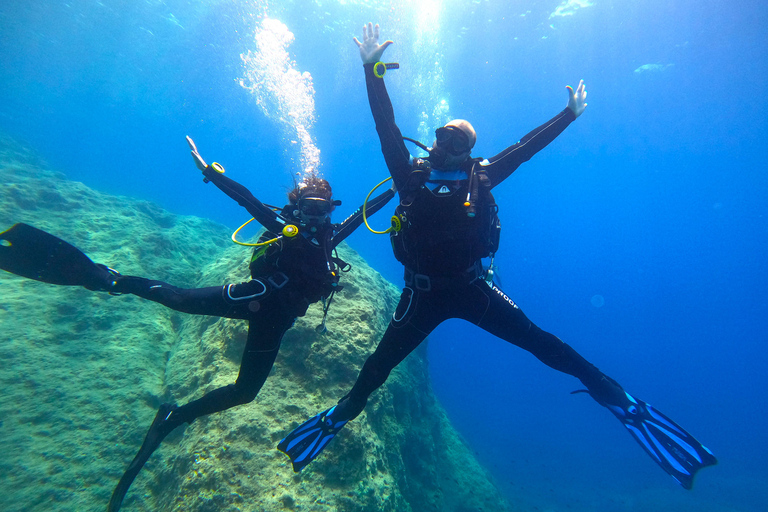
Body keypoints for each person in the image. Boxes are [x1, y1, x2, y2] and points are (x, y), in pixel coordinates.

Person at [277, 23, 717, 490]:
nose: (444, 143)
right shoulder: (409, 176)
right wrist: (372, 72)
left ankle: (622, 402)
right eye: (442, 134)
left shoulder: (482, 177)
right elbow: (386, 127)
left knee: (544, 344)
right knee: (376, 369)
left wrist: (567, 115)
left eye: (458, 139)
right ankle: (339, 416)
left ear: (470, 151)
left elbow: (525, 148)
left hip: (471, 289)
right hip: (420, 295)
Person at [0, 136, 394, 511]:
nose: (315, 217)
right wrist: (211, 172)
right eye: (308, 209)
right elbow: (248, 201)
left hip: (275, 324)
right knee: (178, 299)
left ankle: (175, 415)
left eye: (322, 210)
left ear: (330, 209)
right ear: (297, 209)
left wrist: (402, 188)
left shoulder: (331, 237)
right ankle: (106, 279)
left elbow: (366, 212)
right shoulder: (282, 228)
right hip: (253, 298)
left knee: (245, 392)